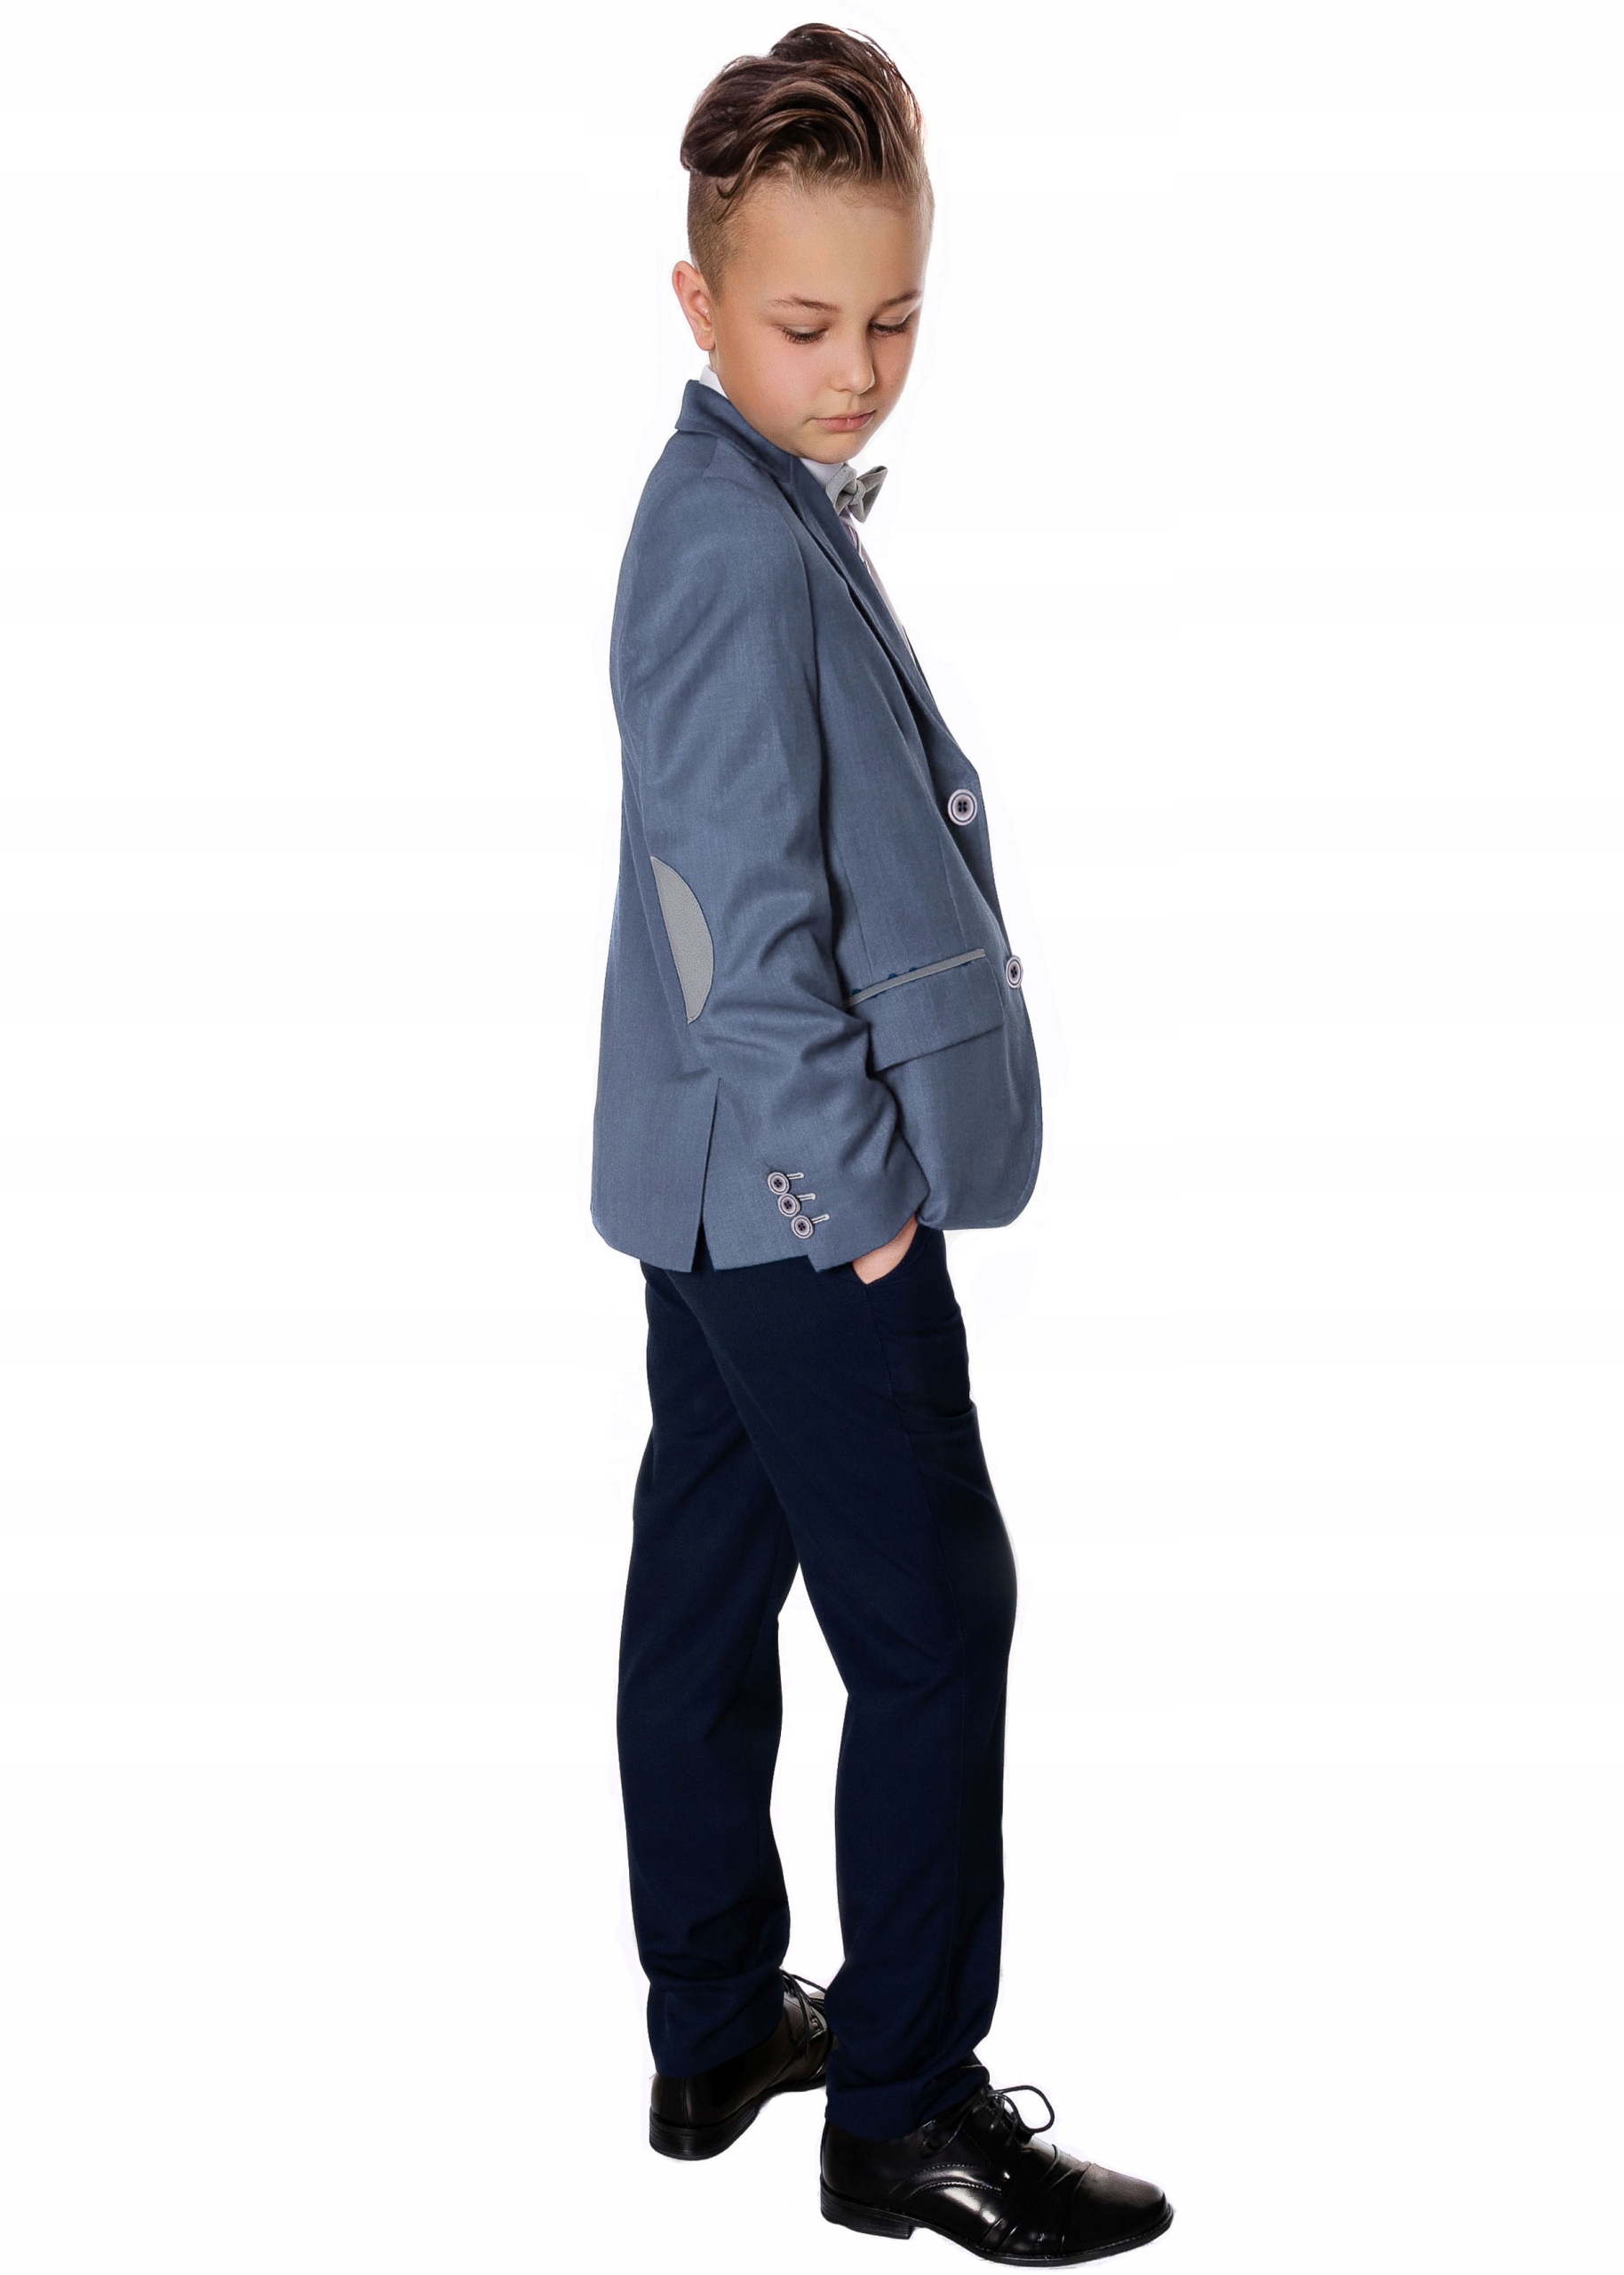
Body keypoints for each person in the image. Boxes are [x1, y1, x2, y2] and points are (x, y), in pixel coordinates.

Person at [589, 24, 1172, 2263]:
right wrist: (855, 1213)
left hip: (707, 1190)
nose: (851, 373)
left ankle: (715, 2027)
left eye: (893, 321)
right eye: (804, 325)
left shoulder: (742, 505)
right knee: (932, 1621)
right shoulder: (724, 549)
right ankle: (904, 2107)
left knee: (705, 1581)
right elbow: (734, 928)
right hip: (787, 1194)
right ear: (698, 302)